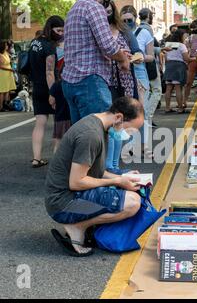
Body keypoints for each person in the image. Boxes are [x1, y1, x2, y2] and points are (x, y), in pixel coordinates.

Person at [45, 97, 144, 256]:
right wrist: (118, 180)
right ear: (118, 117)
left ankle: (89, 227)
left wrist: (123, 176)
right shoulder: (91, 135)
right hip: (63, 204)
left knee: (133, 186)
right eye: (129, 129)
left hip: (68, 195)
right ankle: (78, 226)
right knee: (132, 203)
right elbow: (77, 182)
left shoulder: (98, 124)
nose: (128, 135)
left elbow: (95, 171)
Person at [62, 0, 130, 124]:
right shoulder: (94, 7)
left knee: (82, 135)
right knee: (99, 132)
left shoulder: (74, 9)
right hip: (90, 80)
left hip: (70, 80)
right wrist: (123, 58)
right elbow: (108, 45)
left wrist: (118, 54)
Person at [106, 1, 141, 172]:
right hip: (106, 81)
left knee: (118, 122)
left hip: (124, 80)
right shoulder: (99, 31)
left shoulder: (125, 32)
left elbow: (138, 53)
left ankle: (113, 164)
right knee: (109, 122)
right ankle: (108, 164)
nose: (106, 12)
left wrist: (128, 58)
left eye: (109, 9)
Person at [29, 16, 64, 168]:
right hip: (49, 88)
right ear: (50, 29)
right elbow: (49, 72)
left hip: (36, 87)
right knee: (59, 123)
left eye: (63, 30)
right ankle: (57, 159)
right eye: (58, 30)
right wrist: (52, 93)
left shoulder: (34, 43)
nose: (61, 33)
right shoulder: (49, 46)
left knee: (40, 123)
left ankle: (36, 158)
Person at [121, 5, 155, 158]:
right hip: (123, 76)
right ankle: (129, 146)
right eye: (124, 20)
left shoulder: (144, 33)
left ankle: (145, 147)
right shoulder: (117, 32)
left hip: (140, 75)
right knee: (126, 113)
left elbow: (151, 56)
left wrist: (138, 57)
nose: (127, 22)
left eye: (129, 19)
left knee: (142, 112)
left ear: (135, 18)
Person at [138, 7, 162, 128]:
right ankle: (147, 117)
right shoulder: (147, 29)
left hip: (141, 64)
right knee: (156, 91)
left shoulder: (138, 28)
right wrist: (161, 49)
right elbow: (150, 51)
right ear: (148, 16)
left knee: (145, 92)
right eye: (151, 15)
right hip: (148, 64)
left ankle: (145, 118)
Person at [164, 29, 193, 113]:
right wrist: (194, 58)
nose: (186, 37)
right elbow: (186, 58)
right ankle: (180, 108)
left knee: (168, 88)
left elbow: (166, 57)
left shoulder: (168, 44)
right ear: (180, 36)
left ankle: (167, 107)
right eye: (184, 36)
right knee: (178, 88)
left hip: (169, 66)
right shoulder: (181, 45)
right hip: (178, 67)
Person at [183, 19, 197, 108]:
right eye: (192, 28)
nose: (193, 29)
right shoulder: (190, 37)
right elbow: (186, 48)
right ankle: (185, 100)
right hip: (192, 61)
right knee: (188, 82)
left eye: (195, 27)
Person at [49, 66, 71, 154]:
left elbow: (51, 101)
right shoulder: (72, 85)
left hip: (60, 117)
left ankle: (56, 159)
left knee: (58, 139)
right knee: (71, 140)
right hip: (71, 116)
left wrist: (54, 104)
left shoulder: (56, 85)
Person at [0, 41, 16, 112]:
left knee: (8, 90)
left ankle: (6, 104)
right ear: (2, 46)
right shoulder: (0, 55)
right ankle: (1, 107)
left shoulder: (6, 53)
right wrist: (10, 69)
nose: (7, 46)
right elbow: (0, 66)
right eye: (6, 45)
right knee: (3, 90)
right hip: (3, 73)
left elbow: (11, 55)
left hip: (8, 73)